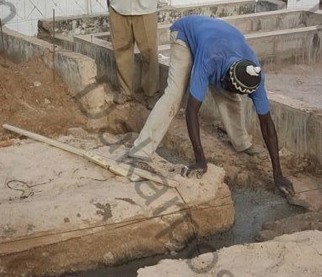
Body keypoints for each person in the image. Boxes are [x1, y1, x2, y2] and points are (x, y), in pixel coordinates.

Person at [126, 14, 295, 196]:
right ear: (225, 77)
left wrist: (278, 173)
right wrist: (200, 159)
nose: (238, 93)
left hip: (217, 39)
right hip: (184, 34)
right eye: (232, 87)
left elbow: (267, 124)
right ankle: (140, 150)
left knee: (230, 98)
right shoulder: (209, 60)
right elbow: (192, 110)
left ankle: (242, 143)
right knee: (174, 95)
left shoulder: (255, 76)